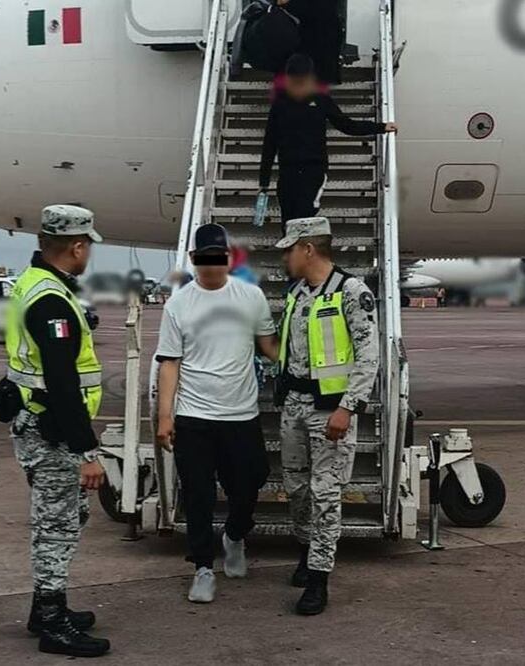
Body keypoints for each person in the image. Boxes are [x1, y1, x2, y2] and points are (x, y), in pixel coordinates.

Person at [5, 205, 110, 658]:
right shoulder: (52, 301)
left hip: (38, 422)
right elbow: (63, 382)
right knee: (57, 526)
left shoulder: (32, 284)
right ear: (78, 246)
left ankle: (46, 607)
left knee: (62, 519)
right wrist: (86, 450)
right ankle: (51, 623)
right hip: (54, 431)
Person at [154, 223, 278, 604]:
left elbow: (269, 347)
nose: (210, 265)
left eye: (217, 257)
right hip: (194, 416)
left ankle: (236, 535)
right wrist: (164, 416)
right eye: (203, 259)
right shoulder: (179, 304)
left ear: (227, 258)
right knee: (198, 494)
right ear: (193, 260)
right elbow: (170, 363)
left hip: (241, 414)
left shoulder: (250, 297)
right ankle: (203, 568)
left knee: (250, 483)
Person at [274, 216, 379, 615]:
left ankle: (319, 577)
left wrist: (347, 407)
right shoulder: (297, 293)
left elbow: (368, 356)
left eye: (289, 249)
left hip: (329, 410)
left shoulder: (351, 291)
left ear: (308, 249)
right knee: (296, 488)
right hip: (295, 407)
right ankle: (306, 549)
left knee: (325, 493)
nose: (285, 257)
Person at [259, 54, 397, 231]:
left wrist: (381, 127)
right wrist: (264, 180)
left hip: (313, 169)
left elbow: (346, 125)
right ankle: (292, 255)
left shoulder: (321, 100)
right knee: (288, 219)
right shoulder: (280, 105)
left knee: (305, 216)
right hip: (288, 170)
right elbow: (269, 143)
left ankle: (304, 253)